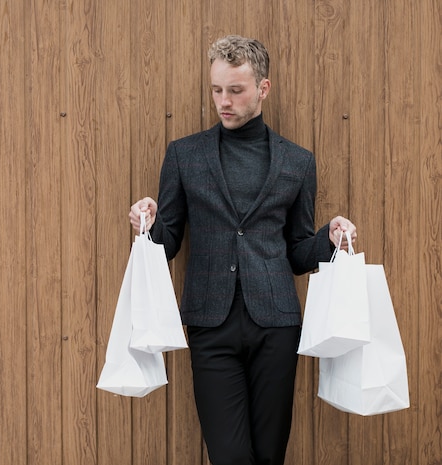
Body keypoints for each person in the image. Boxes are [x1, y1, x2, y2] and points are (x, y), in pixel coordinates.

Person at [128, 35, 357, 465]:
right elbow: (167, 245)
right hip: (209, 326)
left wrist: (327, 239)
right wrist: (148, 225)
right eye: (216, 90)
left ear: (263, 89)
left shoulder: (297, 162)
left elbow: (296, 252)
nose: (223, 101)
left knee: (269, 455)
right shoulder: (184, 155)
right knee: (230, 455)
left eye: (235, 90)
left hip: (277, 325)